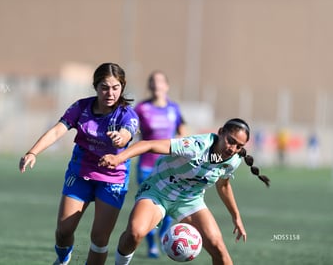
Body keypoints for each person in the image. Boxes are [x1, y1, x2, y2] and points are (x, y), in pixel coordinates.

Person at [99, 118, 270, 265]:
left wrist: (236, 216)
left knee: (219, 249)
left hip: (189, 200)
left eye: (239, 146)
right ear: (221, 132)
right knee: (135, 233)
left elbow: (223, 185)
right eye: (230, 141)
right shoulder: (195, 146)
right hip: (158, 192)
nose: (232, 148)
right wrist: (118, 158)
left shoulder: (232, 160)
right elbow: (148, 145)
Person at [19, 62, 139, 265]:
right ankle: (64, 257)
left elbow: (127, 132)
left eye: (115, 87)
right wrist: (33, 152)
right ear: (95, 87)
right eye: (104, 87)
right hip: (81, 173)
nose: (110, 92)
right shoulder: (81, 107)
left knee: (99, 239)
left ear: (122, 87)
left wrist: (120, 138)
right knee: (64, 231)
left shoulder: (127, 115)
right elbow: (58, 130)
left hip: (112, 179)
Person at [133, 70, 186, 258]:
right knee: (147, 204)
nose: (157, 85)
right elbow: (131, 128)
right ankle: (151, 245)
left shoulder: (174, 108)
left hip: (170, 167)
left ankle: (164, 236)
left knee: (170, 204)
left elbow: (182, 131)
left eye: (161, 81)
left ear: (167, 86)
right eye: (153, 81)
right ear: (149, 86)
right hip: (147, 165)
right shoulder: (141, 108)